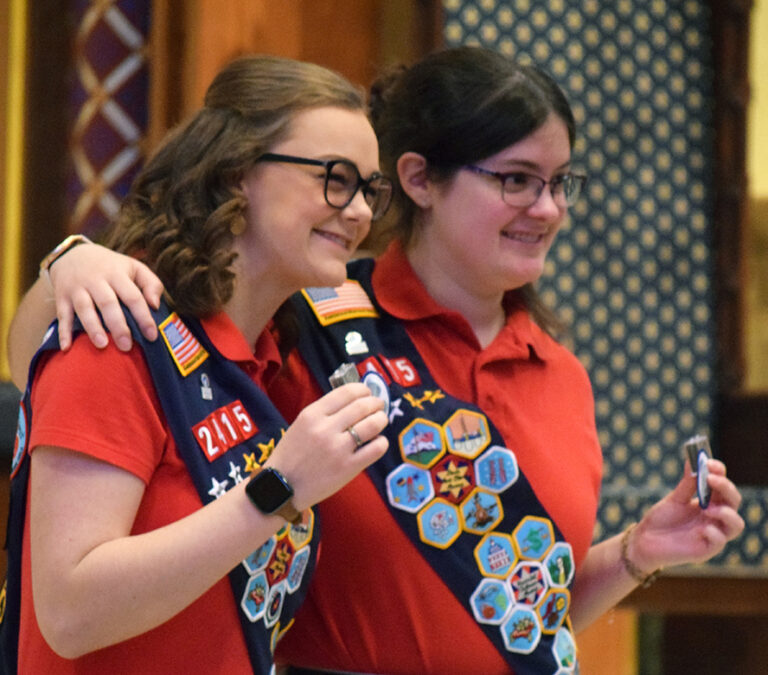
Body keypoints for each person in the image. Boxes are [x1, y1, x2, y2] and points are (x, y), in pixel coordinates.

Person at [6, 47, 744, 674]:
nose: (547, 207)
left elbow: (517, 613)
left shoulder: (559, 373)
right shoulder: (308, 326)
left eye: (560, 183)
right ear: (422, 180)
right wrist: (65, 266)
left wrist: (635, 552)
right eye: (516, 179)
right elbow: (59, 369)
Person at [0, 54, 393, 674]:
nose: (362, 212)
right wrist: (279, 487)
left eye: (371, 188)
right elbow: (71, 614)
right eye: (335, 178)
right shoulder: (118, 330)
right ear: (238, 172)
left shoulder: (272, 352)